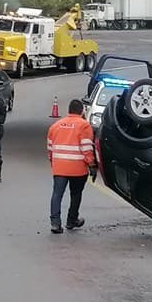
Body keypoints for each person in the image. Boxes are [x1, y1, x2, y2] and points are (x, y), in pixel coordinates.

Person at [47, 99, 97, 234]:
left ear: (69, 110)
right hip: (77, 168)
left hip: (59, 167)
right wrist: (92, 165)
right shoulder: (84, 126)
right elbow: (87, 148)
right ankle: (71, 220)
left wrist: (53, 163)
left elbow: (50, 149)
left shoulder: (56, 125)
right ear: (82, 111)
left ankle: (55, 223)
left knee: (57, 194)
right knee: (75, 194)